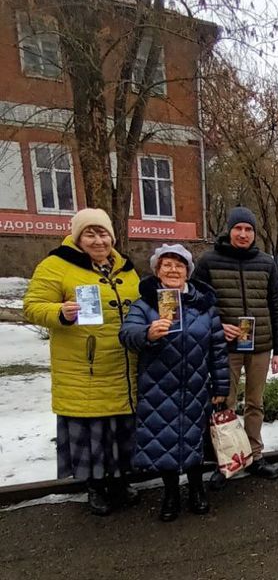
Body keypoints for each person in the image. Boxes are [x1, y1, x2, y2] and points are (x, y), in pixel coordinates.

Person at [23, 208, 140, 516]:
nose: (98, 240)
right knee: (93, 431)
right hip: (85, 367)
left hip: (124, 364)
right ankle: (95, 486)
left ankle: (120, 480)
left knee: (120, 427)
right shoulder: (57, 265)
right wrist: (60, 312)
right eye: (90, 234)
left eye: (103, 234)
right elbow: (32, 306)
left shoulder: (125, 268)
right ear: (77, 237)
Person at [119, 245, 229, 521]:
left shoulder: (204, 307)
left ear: (188, 272)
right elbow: (127, 334)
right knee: (163, 439)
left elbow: (217, 348)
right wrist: (148, 333)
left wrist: (221, 386)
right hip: (158, 387)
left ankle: (196, 487)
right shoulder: (145, 304)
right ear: (157, 270)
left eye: (179, 265)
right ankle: (170, 493)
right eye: (166, 265)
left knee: (195, 438)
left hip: (195, 386)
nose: (173, 270)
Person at [193, 206, 278, 484]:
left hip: (260, 346)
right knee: (225, 403)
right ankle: (227, 460)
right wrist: (217, 326)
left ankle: (255, 456)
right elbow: (196, 303)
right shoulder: (209, 261)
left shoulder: (266, 263)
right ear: (229, 230)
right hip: (226, 347)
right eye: (238, 228)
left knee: (255, 404)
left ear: (254, 233)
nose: (243, 234)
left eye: (248, 229)